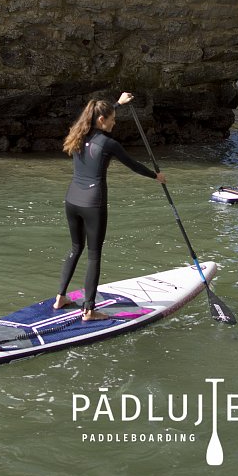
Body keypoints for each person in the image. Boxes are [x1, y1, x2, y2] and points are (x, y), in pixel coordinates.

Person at [54, 92, 166, 321]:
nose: (115, 122)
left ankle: (60, 297)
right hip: (93, 204)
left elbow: (92, 114)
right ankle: (89, 310)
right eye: (112, 118)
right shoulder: (108, 144)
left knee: (76, 248)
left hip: (72, 200)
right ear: (101, 120)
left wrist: (118, 104)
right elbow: (133, 165)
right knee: (94, 255)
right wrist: (156, 176)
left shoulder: (77, 134)